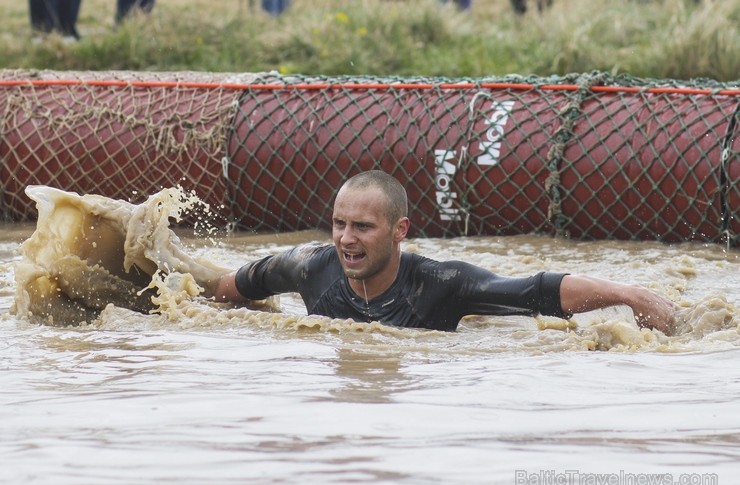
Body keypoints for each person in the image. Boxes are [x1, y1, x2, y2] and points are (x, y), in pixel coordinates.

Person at [204, 170, 676, 333]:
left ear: (399, 230)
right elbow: (231, 288)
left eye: (363, 227)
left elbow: (536, 289)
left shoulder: (442, 284)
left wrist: (629, 295)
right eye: (339, 224)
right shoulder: (307, 267)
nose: (347, 238)